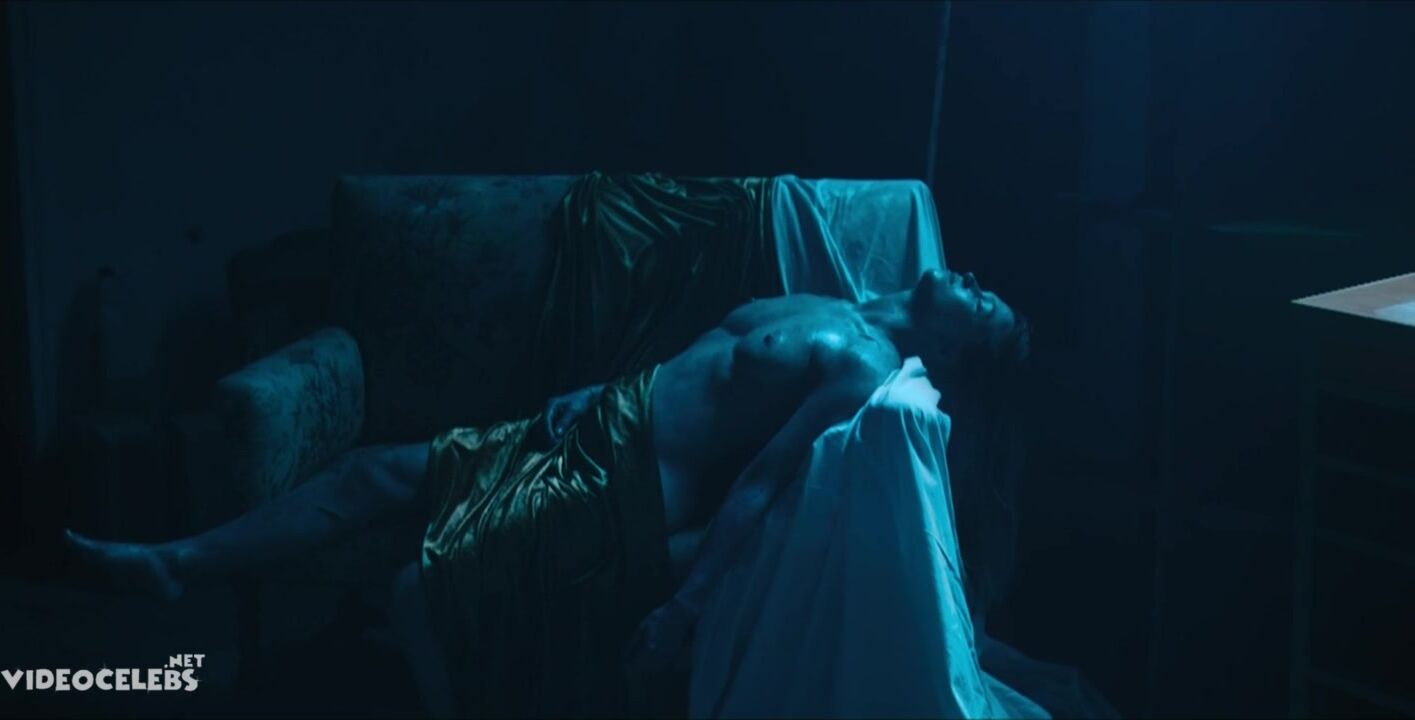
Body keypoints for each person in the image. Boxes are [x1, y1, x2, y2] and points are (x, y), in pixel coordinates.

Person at [65, 268, 1029, 717]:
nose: (973, 277)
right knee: (371, 471)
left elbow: (765, 483)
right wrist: (596, 388)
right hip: (598, 418)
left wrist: (685, 607)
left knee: (417, 593)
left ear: (951, 352)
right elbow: (698, 362)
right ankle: (173, 564)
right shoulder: (836, 294)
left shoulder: (862, 365)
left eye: (983, 303)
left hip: (626, 484)